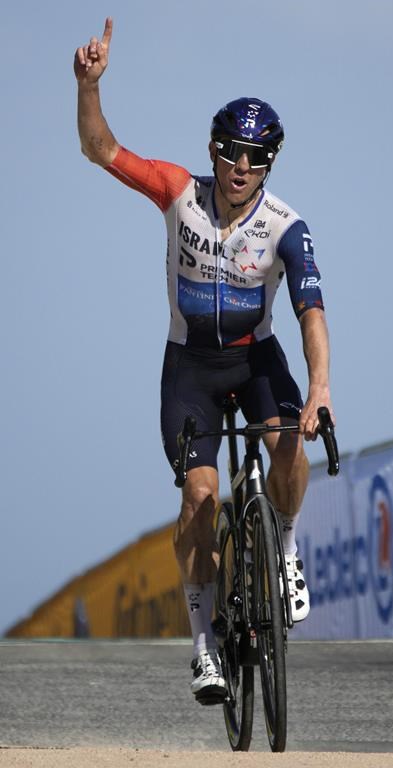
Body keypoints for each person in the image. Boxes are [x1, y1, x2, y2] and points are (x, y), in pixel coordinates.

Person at [74, 18, 335, 704]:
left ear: (269, 162)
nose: (238, 166)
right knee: (200, 495)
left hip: (256, 360)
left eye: (252, 156)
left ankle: (283, 551)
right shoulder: (177, 194)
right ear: (212, 153)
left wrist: (321, 391)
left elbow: (311, 312)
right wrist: (89, 86)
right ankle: (202, 648)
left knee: (286, 440)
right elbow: (101, 149)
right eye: (228, 152)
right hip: (189, 365)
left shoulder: (286, 226)